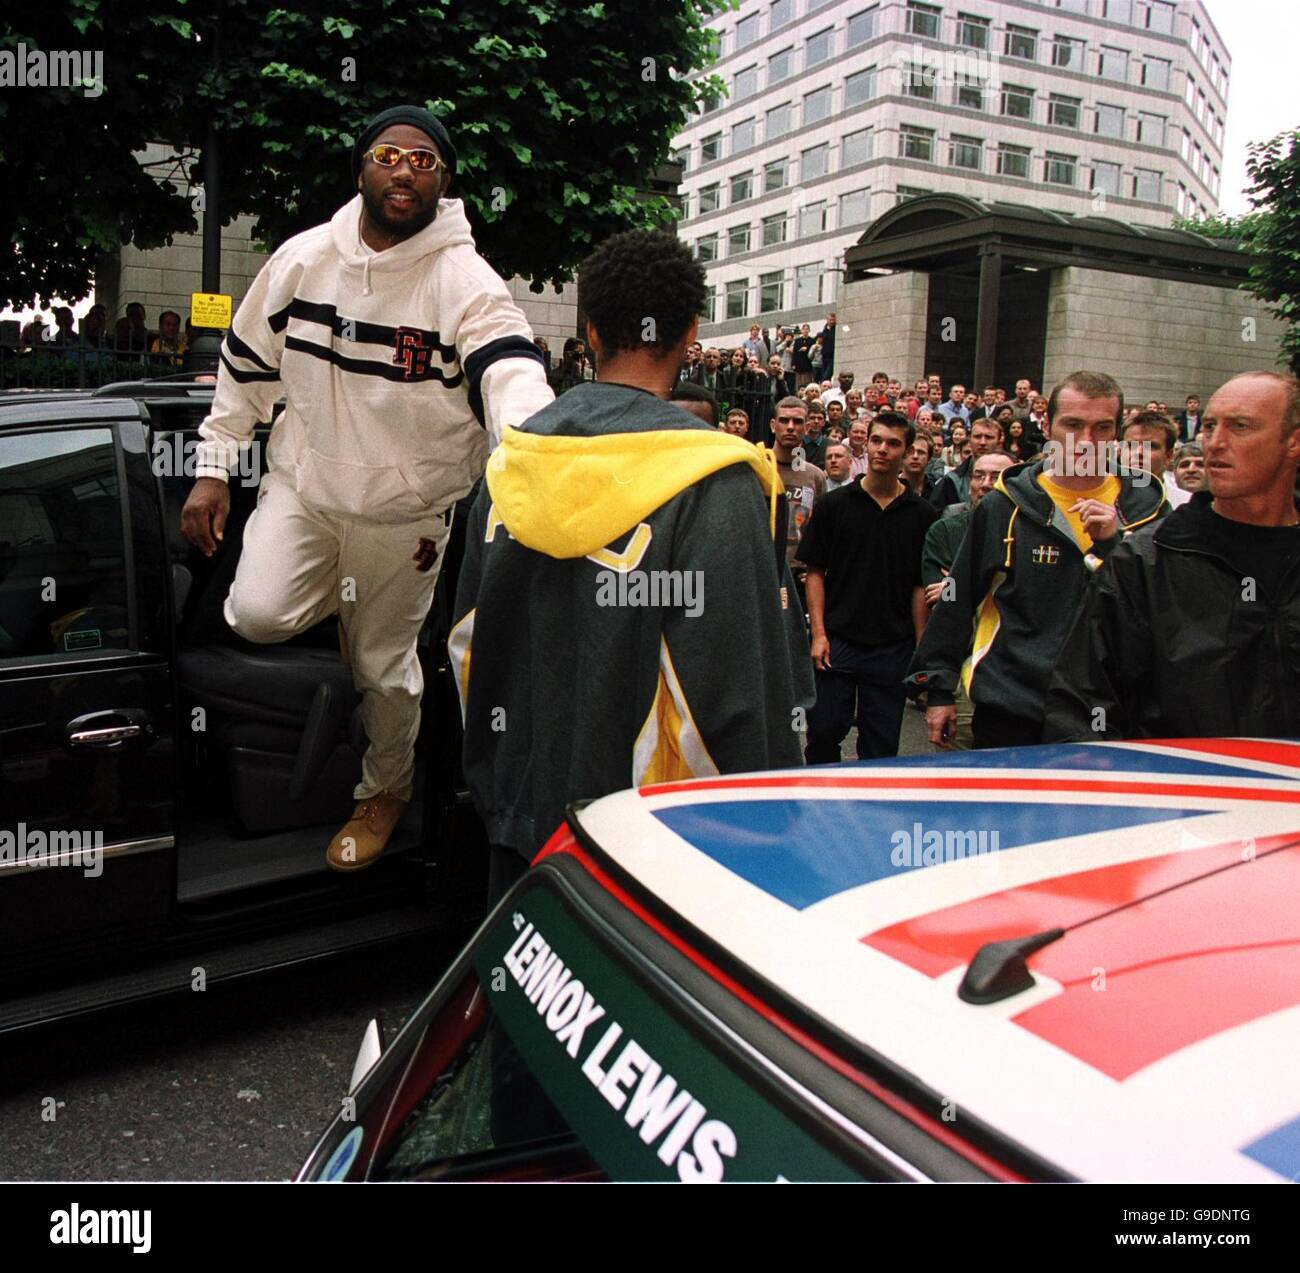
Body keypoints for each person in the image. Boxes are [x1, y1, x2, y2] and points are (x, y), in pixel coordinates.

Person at [181, 104, 553, 872]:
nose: (405, 169)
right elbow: (245, 368)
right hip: (306, 489)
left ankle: (383, 789)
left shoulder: (464, 281)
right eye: (390, 154)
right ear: (362, 168)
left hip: (405, 515)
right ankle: (352, 608)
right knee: (254, 612)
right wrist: (214, 468)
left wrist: (534, 452)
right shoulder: (303, 259)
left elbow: (510, 370)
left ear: (443, 184)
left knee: (386, 671)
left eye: (425, 161)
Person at [451, 229, 812, 896]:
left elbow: (468, 650)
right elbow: (734, 695)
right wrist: (769, 838)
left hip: (520, 823)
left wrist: (502, 787)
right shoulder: (716, 484)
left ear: (589, 331)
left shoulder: (510, 470)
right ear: (691, 331)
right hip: (646, 851)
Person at [908, 370, 1167, 750]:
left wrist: (1115, 546)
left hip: (1111, 713)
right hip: (1013, 706)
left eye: (1102, 428)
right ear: (1047, 424)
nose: (1087, 441)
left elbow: (1162, 608)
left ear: (1117, 431)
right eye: (1073, 425)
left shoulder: (1147, 507)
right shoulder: (1005, 504)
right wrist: (939, 689)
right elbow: (958, 596)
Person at [1044, 372, 1300, 742]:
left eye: (1240, 426)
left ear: (1293, 442)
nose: (1215, 443)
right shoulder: (1145, 564)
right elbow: (1081, 709)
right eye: (1209, 426)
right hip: (1178, 791)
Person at [798, 412, 937, 761]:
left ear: (906, 453)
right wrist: (818, 634)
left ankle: (872, 814)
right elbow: (815, 571)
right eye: (876, 441)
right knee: (824, 733)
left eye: (893, 444)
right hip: (838, 640)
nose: (882, 450)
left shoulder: (922, 515)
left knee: (881, 747)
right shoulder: (835, 505)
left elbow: (920, 586)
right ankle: (819, 809)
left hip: (892, 647)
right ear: (865, 444)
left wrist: (921, 649)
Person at [918, 449, 1017, 749]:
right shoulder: (945, 530)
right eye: (978, 475)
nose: (986, 484)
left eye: (997, 477)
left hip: (1013, 678)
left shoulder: (1029, 532)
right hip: (961, 671)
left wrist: (959, 583)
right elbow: (939, 594)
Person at [771, 397, 826, 600]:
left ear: (807, 427)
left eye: (798, 422)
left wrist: (814, 567)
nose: (791, 427)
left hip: (798, 571)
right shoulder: (757, 468)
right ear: (773, 425)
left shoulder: (815, 476)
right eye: (784, 421)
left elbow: (822, 528)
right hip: (762, 566)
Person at [931, 416, 1002, 510]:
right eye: (977, 437)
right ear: (970, 440)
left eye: (989, 437)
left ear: (999, 441)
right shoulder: (951, 481)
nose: (982, 442)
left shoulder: (1011, 476)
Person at [1120, 409, 1187, 508]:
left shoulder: (1185, 503)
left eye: (1151, 447)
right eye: (1131, 445)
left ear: (1168, 456)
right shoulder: (1098, 499)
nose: (1138, 453)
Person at [792, 323, 814, 388]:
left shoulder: (812, 340)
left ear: (809, 330)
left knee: (807, 382)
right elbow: (794, 352)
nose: (805, 331)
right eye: (804, 329)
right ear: (801, 330)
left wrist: (807, 349)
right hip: (798, 364)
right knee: (799, 382)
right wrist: (793, 363)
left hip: (807, 364)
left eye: (807, 329)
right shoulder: (797, 341)